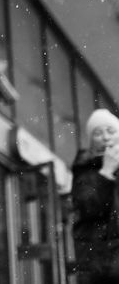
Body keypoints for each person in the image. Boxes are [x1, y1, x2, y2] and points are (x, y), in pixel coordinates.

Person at [70, 108, 119, 283]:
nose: (106, 137)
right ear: (91, 142)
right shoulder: (84, 170)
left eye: (111, 131)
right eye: (98, 133)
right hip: (101, 268)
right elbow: (88, 206)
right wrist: (106, 172)